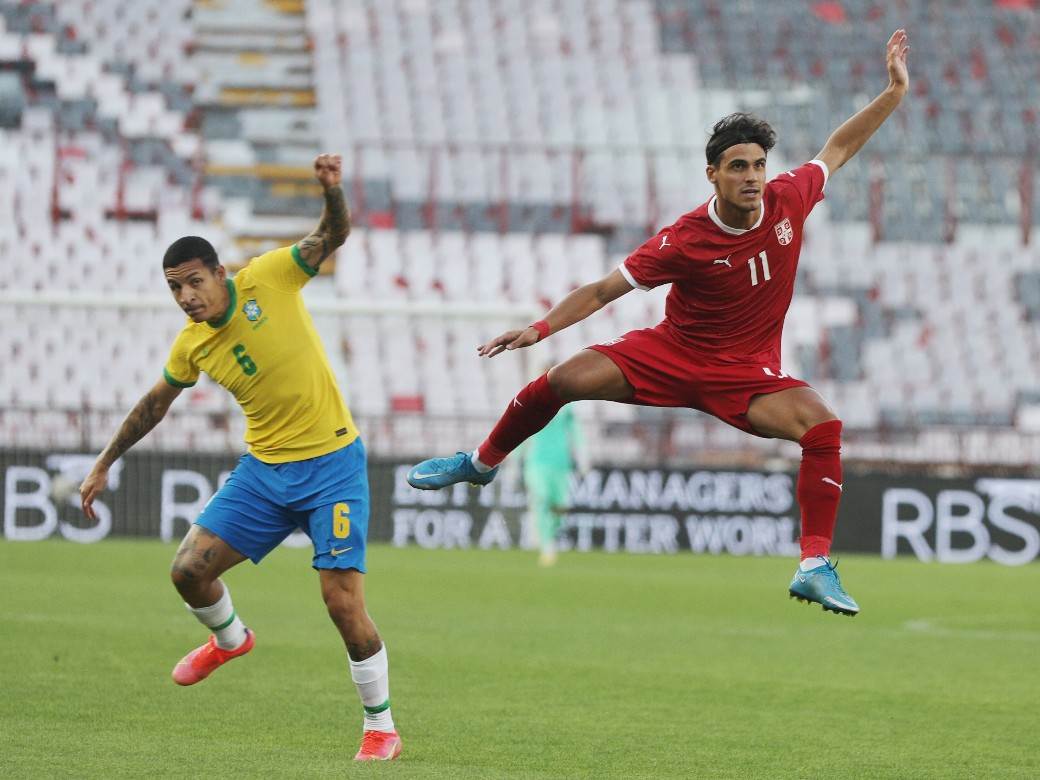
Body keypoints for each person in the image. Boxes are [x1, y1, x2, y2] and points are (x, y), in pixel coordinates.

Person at [409, 31, 912, 617]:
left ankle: (813, 565)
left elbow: (839, 148)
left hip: (745, 372)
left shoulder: (788, 198)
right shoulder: (683, 239)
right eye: (737, 167)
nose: (752, 176)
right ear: (712, 175)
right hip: (671, 354)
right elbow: (602, 290)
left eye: (758, 165)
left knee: (822, 427)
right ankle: (480, 464)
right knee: (562, 379)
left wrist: (894, 91)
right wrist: (539, 328)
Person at [79, 154, 403, 761]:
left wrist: (331, 192)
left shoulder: (271, 277)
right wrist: (103, 462)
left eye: (193, 281)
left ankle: (380, 726)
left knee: (341, 603)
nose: (185, 296)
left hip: (332, 464)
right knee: (187, 572)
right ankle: (231, 640)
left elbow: (333, 234)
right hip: (263, 472)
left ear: (220, 274)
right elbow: (155, 404)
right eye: (174, 286)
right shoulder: (192, 344)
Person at [520, 393, 588, 567]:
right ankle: (546, 546)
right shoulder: (531, 403)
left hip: (560, 463)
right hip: (536, 462)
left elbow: (576, 431)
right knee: (541, 498)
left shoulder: (566, 406)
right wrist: (513, 459)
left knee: (560, 507)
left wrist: (583, 456)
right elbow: (519, 430)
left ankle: (549, 536)